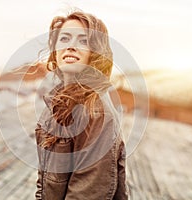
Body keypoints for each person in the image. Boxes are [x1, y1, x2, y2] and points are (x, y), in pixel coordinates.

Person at [35, 10, 128, 200]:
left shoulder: (97, 113)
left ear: (96, 53)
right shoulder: (55, 103)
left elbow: (86, 194)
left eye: (83, 41)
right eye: (65, 39)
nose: (71, 46)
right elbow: (43, 181)